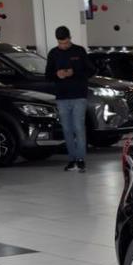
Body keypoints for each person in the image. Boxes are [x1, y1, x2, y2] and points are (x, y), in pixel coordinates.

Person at [45, 25, 93, 172]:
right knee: (67, 129)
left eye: (66, 42)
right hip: (62, 97)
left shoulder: (79, 51)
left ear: (70, 38)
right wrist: (57, 74)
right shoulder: (53, 53)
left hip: (79, 95)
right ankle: (72, 159)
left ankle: (80, 159)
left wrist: (74, 72)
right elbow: (47, 75)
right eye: (61, 43)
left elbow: (91, 70)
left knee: (79, 127)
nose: (63, 46)